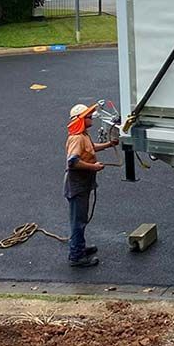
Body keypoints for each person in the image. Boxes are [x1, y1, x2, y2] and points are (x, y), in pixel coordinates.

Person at [64, 102, 118, 267]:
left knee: (81, 219)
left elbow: (92, 148)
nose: (91, 118)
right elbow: (73, 162)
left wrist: (109, 144)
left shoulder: (84, 135)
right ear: (81, 120)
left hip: (83, 183)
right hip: (77, 185)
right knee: (78, 222)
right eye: (88, 116)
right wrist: (93, 167)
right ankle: (76, 256)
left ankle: (79, 248)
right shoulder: (77, 138)